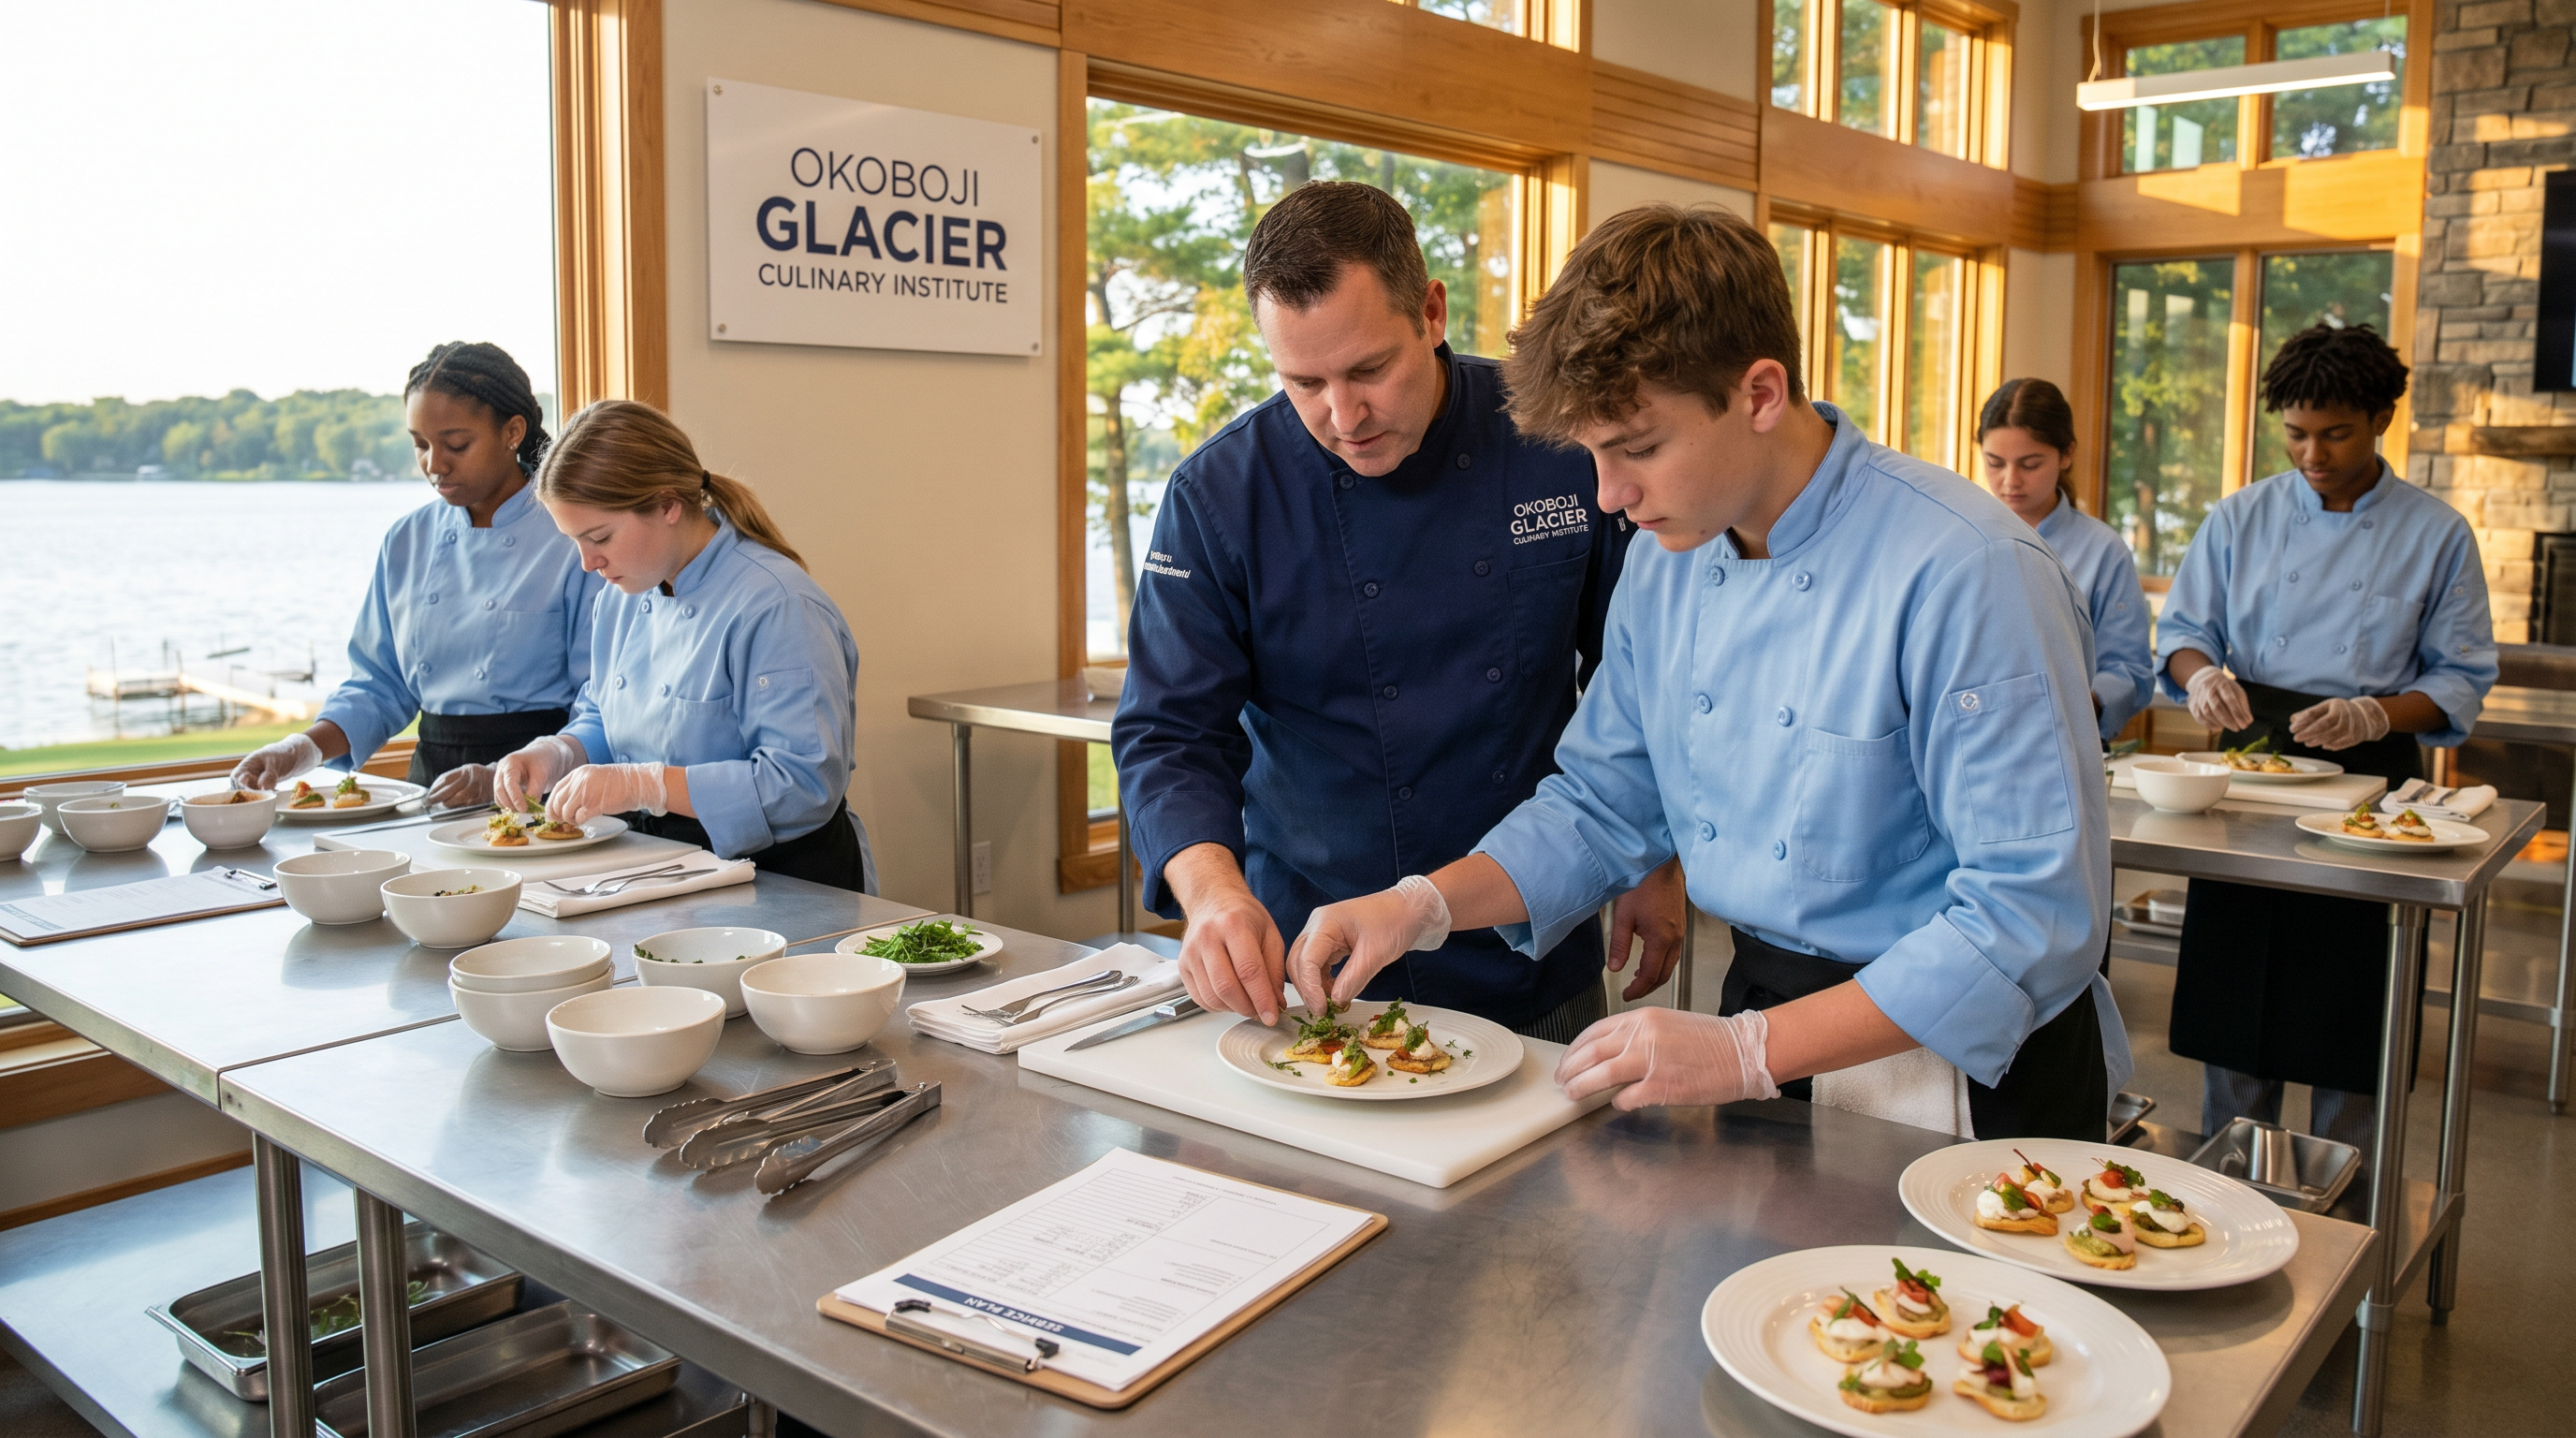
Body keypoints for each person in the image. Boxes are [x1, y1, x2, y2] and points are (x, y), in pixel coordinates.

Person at [1288, 204, 2115, 1137]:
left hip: (1964, 1070)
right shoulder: (1667, 556)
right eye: (1592, 455)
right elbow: (1602, 805)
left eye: (1637, 448)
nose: (1609, 494)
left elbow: (2030, 915)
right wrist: (1423, 905)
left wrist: (1748, 1051)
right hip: (1761, 1019)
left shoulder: (1970, 570)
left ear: (1761, 393)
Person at [1111, 181, 1681, 1042]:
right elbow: (1168, 733)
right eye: (1304, 382)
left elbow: (1640, 683)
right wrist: (1213, 894)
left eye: (1371, 369)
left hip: (1529, 947)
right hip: (1313, 962)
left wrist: (1653, 853)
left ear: (1432, 310)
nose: (1344, 416)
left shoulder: (1557, 447)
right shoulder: (1219, 497)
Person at [2157, 323, 2495, 1152]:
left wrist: (2377, 711)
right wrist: (2203, 676)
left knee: (2352, 1005)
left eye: (2336, 433)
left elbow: (2459, 675)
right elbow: (2184, 630)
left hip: (2371, 785)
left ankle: (2347, 1206)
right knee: (2241, 992)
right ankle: (2228, 1179)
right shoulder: (2242, 517)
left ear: (2381, 418)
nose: (2313, 452)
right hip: (2252, 763)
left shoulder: (2436, 532)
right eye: (2298, 434)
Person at [491, 400, 873, 893]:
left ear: (668, 505)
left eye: (599, 536)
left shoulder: (777, 605)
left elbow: (802, 785)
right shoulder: (621, 597)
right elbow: (608, 713)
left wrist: (646, 784)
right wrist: (559, 751)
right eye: (574, 542)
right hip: (669, 867)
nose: (588, 563)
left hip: (784, 879)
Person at [230, 343, 601, 804]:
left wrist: (509, 773)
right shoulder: (407, 539)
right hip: (432, 783)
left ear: (512, 431)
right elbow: (378, 685)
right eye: (420, 444)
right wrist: (297, 750)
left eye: (456, 444)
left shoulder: (573, 537)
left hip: (546, 781)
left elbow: (600, 692)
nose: (434, 464)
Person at [1977, 378, 2152, 742]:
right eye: (1995, 463)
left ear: (2067, 454)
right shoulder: (1963, 539)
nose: (2010, 480)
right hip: (1977, 733)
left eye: (2030, 464)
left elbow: (2130, 670)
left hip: (2068, 740)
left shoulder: (2103, 550)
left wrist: (2081, 702)